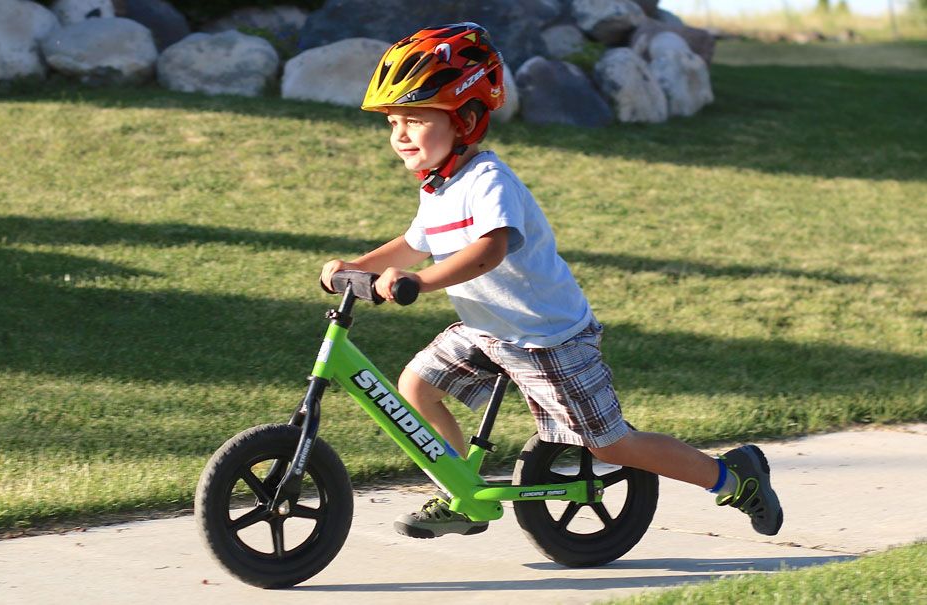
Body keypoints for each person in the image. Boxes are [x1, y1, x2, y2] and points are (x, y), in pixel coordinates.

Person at [320, 23, 782, 539]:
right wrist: (355, 268)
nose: (400, 134)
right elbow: (412, 244)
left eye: (415, 120)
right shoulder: (439, 187)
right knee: (415, 388)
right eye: (394, 122)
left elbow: (489, 250)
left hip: (548, 337)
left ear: (467, 120)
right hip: (489, 330)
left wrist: (421, 284)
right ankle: (461, 492)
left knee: (609, 445)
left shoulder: (488, 181)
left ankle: (731, 477)